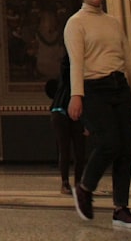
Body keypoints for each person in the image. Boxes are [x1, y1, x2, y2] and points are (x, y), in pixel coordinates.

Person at [64, 0, 131, 230]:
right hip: (95, 87)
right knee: (109, 143)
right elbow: (77, 61)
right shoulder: (75, 23)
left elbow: (129, 58)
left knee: (125, 148)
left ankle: (121, 209)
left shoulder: (113, 23)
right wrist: (77, 95)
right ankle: (85, 188)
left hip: (120, 87)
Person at [45, 53, 86, 195]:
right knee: (65, 149)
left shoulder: (86, 77)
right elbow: (66, 67)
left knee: (80, 151)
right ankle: (65, 182)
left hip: (77, 114)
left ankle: (79, 182)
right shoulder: (66, 75)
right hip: (60, 111)